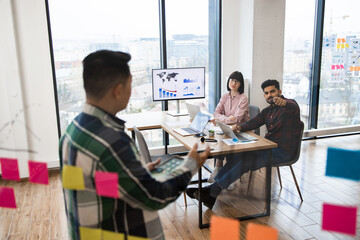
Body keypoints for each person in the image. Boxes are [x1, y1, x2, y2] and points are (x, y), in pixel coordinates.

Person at [59, 50, 210, 240]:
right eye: (131, 84)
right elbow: (155, 196)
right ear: (118, 90)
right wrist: (190, 165)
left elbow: (91, 183)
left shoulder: (73, 130)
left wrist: (135, 174)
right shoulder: (111, 140)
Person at [186, 79, 301, 209]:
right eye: (267, 93)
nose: (270, 95)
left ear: (279, 92)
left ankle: (211, 192)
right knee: (238, 154)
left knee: (248, 161)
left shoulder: (291, 106)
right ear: (264, 95)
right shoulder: (268, 111)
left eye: (273, 91)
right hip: (268, 147)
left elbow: (291, 106)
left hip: (284, 152)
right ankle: (212, 192)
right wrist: (238, 128)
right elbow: (254, 122)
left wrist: (284, 103)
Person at [208, 71, 250, 190]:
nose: (233, 83)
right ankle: (218, 169)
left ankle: (227, 176)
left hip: (241, 130)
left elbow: (237, 119)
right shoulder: (225, 96)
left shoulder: (243, 98)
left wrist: (221, 119)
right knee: (220, 139)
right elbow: (216, 112)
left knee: (226, 141)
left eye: (236, 81)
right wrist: (226, 119)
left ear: (240, 84)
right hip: (227, 128)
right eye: (231, 80)